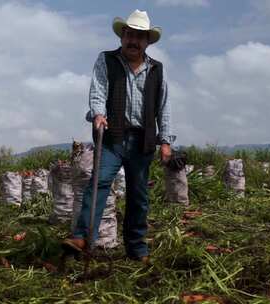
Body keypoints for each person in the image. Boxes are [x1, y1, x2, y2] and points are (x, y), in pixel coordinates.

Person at [62, 9, 174, 264]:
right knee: (99, 183)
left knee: (138, 195)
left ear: (147, 41)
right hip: (112, 136)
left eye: (139, 37)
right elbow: (98, 90)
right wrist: (98, 114)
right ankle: (81, 237)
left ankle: (137, 249)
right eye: (129, 35)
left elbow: (163, 106)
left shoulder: (157, 69)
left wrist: (166, 141)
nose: (133, 41)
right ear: (122, 36)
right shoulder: (107, 60)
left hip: (143, 140)